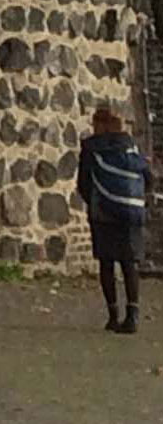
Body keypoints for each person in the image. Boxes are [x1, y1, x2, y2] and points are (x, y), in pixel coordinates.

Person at [76, 103, 150, 334]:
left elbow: (83, 183)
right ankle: (133, 315)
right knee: (130, 264)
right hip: (130, 212)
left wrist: (95, 202)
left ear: (98, 124)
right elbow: (147, 176)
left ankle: (112, 315)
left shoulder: (91, 148)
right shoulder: (129, 146)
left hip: (103, 213)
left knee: (107, 264)